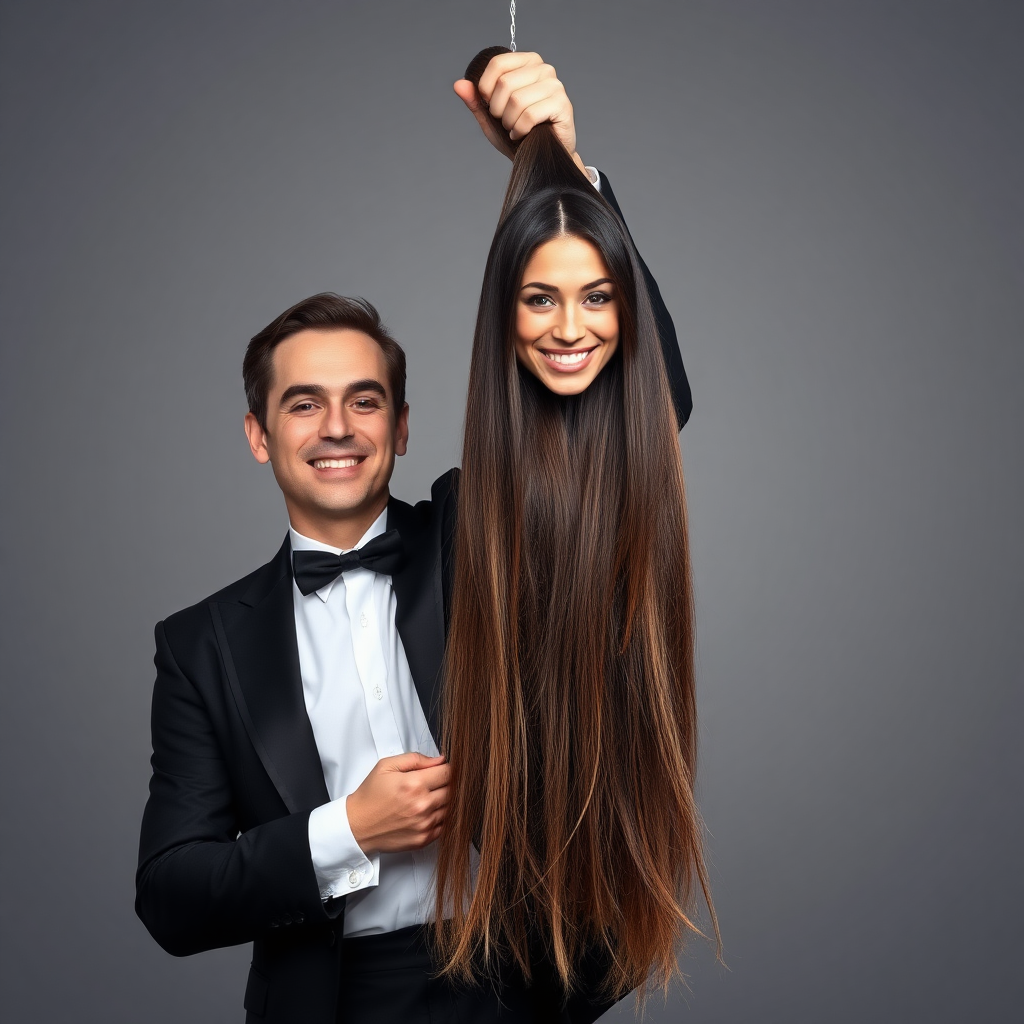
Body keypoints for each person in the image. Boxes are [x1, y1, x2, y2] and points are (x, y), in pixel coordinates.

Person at [135, 51, 691, 1023]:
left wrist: (560, 159)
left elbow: (646, 405)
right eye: (303, 404)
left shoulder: (477, 533)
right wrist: (343, 829)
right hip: (328, 997)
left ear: (401, 426)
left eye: (364, 401)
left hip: (511, 985)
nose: (338, 427)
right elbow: (172, 896)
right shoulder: (200, 646)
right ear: (259, 435)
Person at [432, 50, 717, 1010]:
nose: (571, 327)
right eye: (540, 298)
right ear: (502, 318)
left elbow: (662, 385)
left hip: (589, 941)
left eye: (598, 295)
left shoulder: (638, 464)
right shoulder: (457, 519)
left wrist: (560, 156)